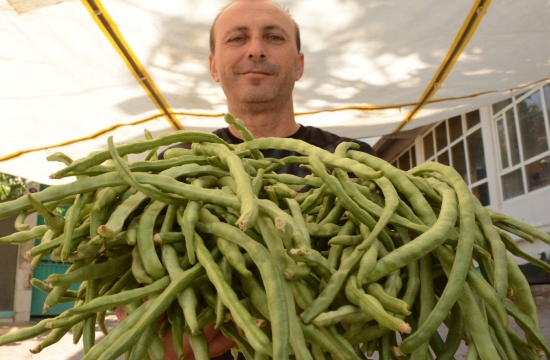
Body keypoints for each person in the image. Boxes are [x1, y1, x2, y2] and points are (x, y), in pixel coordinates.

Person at [116, 1, 376, 359]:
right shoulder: (173, 167)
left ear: (298, 65)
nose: (255, 49)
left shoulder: (352, 161)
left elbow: (378, 300)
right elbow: (144, 324)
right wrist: (288, 309)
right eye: (238, 38)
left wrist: (231, 318)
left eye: (273, 37)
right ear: (214, 66)